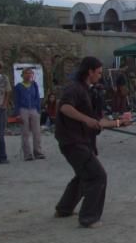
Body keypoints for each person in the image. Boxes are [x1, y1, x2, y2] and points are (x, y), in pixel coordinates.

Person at [54, 56, 130, 228]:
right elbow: (65, 107)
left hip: (82, 140)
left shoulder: (89, 91)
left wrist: (119, 123)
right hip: (72, 140)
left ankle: (64, 209)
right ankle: (89, 218)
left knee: (84, 174)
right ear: (90, 71)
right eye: (99, 72)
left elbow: (98, 121)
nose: (100, 76)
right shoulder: (74, 88)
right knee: (97, 176)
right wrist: (86, 120)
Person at [13, 67, 45, 161]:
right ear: (22, 75)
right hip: (23, 109)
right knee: (25, 132)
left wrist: (38, 110)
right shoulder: (18, 86)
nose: (29, 75)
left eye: (30, 73)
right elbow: (16, 101)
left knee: (37, 132)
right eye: (26, 73)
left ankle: (38, 152)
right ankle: (27, 154)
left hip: (34, 109)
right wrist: (17, 113)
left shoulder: (34, 84)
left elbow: (37, 97)